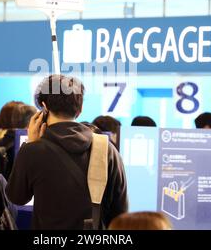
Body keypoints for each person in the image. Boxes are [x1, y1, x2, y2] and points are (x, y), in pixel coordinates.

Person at [7, 74, 128, 229]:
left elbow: (16, 197)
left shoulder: (32, 151)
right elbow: (120, 208)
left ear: (44, 107)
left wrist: (29, 144)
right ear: (80, 108)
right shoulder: (106, 148)